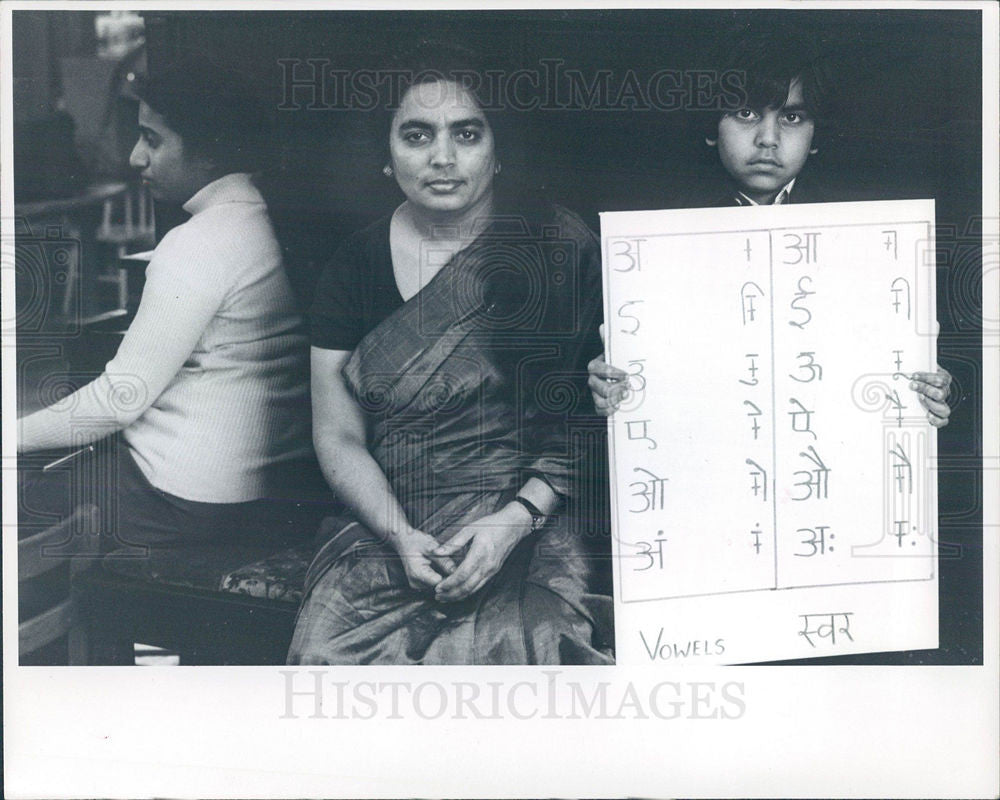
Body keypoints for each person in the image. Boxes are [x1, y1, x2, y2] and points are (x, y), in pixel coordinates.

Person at [287, 45, 613, 665]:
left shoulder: (560, 250)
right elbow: (337, 437)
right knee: (333, 675)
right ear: (385, 156)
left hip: (534, 524)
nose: (442, 158)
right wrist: (401, 537)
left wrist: (513, 521)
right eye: (417, 135)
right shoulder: (353, 266)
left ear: (499, 150)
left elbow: (589, 419)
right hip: (388, 527)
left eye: (467, 133)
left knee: (536, 659)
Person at [18, 57, 319, 551]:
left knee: (22, 495)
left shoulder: (197, 243)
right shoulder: (262, 220)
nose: (137, 157)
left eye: (153, 140)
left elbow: (117, 401)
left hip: (176, 499)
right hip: (261, 494)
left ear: (208, 152)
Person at [589, 21, 953, 423]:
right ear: (712, 127)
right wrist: (607, 383)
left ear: (816, 136)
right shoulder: (656, 238)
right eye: (745, 113)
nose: (768, 138)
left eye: (792, 118)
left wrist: (935, 385)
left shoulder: (868, 235)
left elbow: (904, 352)